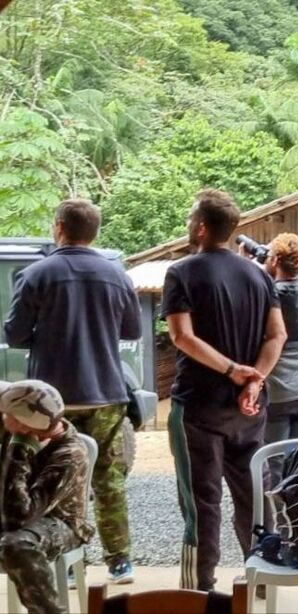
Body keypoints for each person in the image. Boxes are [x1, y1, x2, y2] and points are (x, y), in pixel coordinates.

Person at [3, 199, 141, 584]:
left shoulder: (36, 275)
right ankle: (120, 562)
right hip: (106, 393)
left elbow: (14, 334)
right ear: (92, 231)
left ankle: (65, 565)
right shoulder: (117, 275)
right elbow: (132, 331)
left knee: (49, 479)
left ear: (59, 227)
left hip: (51, 401)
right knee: (108, 479)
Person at [163, 189, 286, 591]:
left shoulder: (181, 272)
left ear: (200, 227)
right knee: (254, 494)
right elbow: (277, 334)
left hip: (197, 407)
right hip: (249, 409)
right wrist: (255, 379)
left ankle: (198, 589)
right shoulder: (260, 275)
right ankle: (261, 577)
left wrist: (234, 370)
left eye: (189, 218)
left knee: (201, 502)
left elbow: (182, 336)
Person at [0, 380, 93, 614]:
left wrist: (19, 449)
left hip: (60, 522)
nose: (3, 416)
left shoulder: (69, 455)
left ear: (23, 426)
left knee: (16, 544)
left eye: (8, 414)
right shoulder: (23, 425)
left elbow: (18, 517)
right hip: (17, 512)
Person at [253, 233, 298, 485]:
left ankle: (278, 517)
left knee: (275, 458)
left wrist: (258, 268)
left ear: (275, 260)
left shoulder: (268, 293)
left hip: (278, 388)